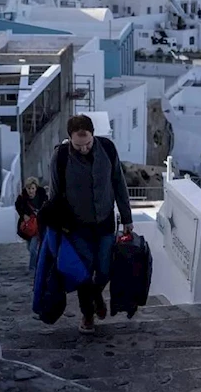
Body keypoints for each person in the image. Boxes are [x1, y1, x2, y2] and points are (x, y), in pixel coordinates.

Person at [49, 114, 133, 334]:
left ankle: (97, 295)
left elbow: (119, 183)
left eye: (87, 143)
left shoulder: (107, 148)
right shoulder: (60, 157)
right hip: (76, 227)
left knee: (105, 270)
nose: (84, 148)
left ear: (93, 135)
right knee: (83, 273)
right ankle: (87, 315)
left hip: (105, 222)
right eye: (78, 145)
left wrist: (127, 218)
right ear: (70, 139)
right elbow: (54, 194)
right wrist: (53, 227)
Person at [15, 177, 48, 271]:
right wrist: (24, 215)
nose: (30, 191)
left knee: (33, 248)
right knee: (30, 247)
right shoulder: (22, 198)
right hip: (28, 227)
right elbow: (18, 207)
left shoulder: (41, 197)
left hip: (38, 226)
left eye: (32, 188)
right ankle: (39, 263)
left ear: (36, 188)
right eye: (29, 188)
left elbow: (46, 207)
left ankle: (33, 267)